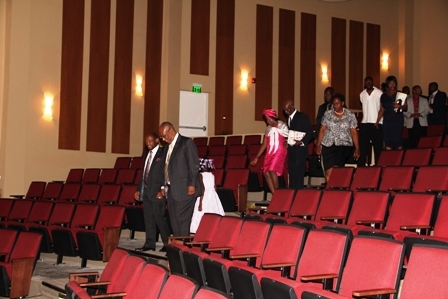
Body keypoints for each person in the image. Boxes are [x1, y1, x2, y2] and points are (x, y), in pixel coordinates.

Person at [158, 122, 202, 236]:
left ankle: (183, 250)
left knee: (182, 222)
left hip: (185, 190)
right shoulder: (167, 147)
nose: (163, 139)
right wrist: (163, 185)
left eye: (164, 136)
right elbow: (166, 167)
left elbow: (193, 165)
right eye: (161, 137)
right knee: (174, 222)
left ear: (171, 131)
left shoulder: (186, 143)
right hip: (172, 190)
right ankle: (178, 250)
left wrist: (192, 185)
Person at [134, 133, 170, 252]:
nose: (148, 143)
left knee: (160, 219)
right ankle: (150, 244)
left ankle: (167, 244)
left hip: (157, 192)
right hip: (147, 192)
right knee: (148, 218)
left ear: (156, 140)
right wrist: (139, 189)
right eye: (146, 141)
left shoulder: (163, 152)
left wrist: (162, 188)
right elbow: (143, 174)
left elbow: (166, 172)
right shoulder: (146, 155)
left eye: (150, 140)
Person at [316, 93, 360, 182]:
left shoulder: (350, 115)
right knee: (328, 173)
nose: (335, 105)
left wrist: (357, 148)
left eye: (338, 103)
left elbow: (354, 132)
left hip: (344, 145)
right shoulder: (328, 114)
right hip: (328, 145)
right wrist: (318, 145)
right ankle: (331, 192)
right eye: (334, 103)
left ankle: (338, 191)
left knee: (335, 169)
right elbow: (322, 130)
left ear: (342, 103)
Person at [250, 108, 289, 194]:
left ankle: (278, 192)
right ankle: (274, 193)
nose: (267, 121)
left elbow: (290, 137)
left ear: (271, 118)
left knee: (272, 170)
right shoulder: (268, 129)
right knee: (266, 172)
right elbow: (264, 144)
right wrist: (257, 157)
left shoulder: (282, 126)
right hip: (270, 152)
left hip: (280, 151)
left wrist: (287, 142)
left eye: (267, 119)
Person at [283, 100, 313, 190]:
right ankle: (292, 197)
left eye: (288, 108)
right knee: (292, 176)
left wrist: (301, 142)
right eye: (284, 110)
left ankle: (298, 198)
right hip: (292, 152)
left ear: (292, 106)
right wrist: (287, 142)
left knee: (299, 178)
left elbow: (310, 133)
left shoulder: (302, 117)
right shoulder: (288, 119)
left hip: (300, 151)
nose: (286, 111)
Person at [190, 158, 225, 233]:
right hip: (212, 195)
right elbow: (215, 188)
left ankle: (202, 229)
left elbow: (202, 189)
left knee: (202, 212)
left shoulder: (200, 175)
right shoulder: (211, 175)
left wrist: (200, 203)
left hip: (204, 196)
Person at [357, 76, 384, 166]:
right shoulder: (362, 94)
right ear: (364, 83)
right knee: (363, 147)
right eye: (366, 82)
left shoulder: (379, 93)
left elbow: (382, 108)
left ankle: (378, 167)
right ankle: (361, 167)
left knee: (378, 148)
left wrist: (377, 121)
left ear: (372, 82)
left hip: (376, 123)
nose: (368, 83)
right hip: (365, 123)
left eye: (370, 82)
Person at [378, 75, 407, 150]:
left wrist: (399, 106)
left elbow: (405, 107)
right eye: (390, 83)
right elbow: (382, 109)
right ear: (387, 84)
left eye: (394, 83)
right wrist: (377, 121)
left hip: (397, 120)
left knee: (397, 140)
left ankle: (399, 159)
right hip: (387, 121)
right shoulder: (383, 96)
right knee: (387, 140)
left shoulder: (400, 94)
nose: (392, 85)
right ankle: (389, 159)